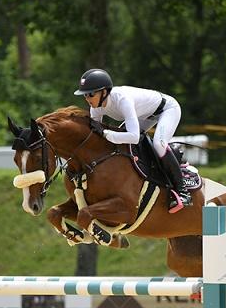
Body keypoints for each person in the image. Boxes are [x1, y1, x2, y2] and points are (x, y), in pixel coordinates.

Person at [73, 68, 192, 213]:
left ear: (104, 92)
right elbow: (94, 135)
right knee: (121, 138)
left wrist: (106, 134)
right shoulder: (96, 107)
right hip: (144, 115)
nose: (87, 99)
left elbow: (134, 137)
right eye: (85, 95)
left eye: (90, 94)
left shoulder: (122, 99)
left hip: (167, 109)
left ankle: (183, 191)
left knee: (158, 144)